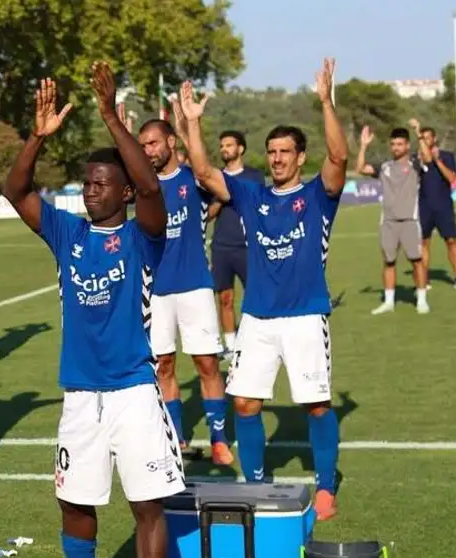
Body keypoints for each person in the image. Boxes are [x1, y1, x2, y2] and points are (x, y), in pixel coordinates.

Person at [2, 67, 181, 558]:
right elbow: (15, 190)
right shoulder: (66, 232)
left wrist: (111, 115)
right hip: (80, 393)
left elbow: (153, 191)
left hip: (133, 390)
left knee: (146, 506)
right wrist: (38, 137)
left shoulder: (142, 236)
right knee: (73, 499)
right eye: (86, 183)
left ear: (123, 191)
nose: (91, 191)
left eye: (102, 184)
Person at [179, 59, 348, 522]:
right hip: (257, 318)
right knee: (246, 403)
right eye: (272, 152)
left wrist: (326, 103)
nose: (276, 158)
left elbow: (339, 159)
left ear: (300, 157)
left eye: (285, 152)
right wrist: (193, 124)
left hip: (305, 316)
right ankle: (253, 485)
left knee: (315, 405)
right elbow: (203, 170)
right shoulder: (251, 195)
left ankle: (327, 485)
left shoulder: (317, 196)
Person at [135, 116, 232, 466]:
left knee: (206, 363)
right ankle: (177, 437)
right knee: (163, 365)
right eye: (143, 145)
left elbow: (220, 190)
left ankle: (220, 439)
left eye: (154, 143)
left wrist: (193, 123)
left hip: (195, 286)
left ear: (171, 142)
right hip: (156, 291)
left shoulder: (193, 178)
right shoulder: (142, 186)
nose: (148, 150)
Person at [354, 126, 428, 314]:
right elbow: (360, 168)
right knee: (389, 261)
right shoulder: (384, 167)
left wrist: (419, 134)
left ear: (407, 145)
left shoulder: (416, 165)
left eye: (400, 144)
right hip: (388, 222)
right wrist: (363, 146)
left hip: (410, 221)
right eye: (393, 144)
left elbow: (428, 158)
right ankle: (388, 302)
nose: (395, 147)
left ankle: (421, 300)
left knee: (416, 261)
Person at [206, 130, 265, 357]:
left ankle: (259, 339)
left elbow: (261, 208)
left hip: (249, 246)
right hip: (222, 246)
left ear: (240, 148)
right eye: (222, 146)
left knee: (255, 294)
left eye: (229, 145)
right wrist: (221, 198)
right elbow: (209, 215)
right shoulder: (215, 178)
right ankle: (230, 346)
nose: (224, 149)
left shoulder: (254, 176)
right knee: (225, 298)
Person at [412, 121, 456, 290]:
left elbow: (452, 179)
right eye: (423, 138)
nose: (426, 141)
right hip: (424, 206)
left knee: (451, 241)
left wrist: (438, 161)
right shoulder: (417, 158)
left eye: (428, 138)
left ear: (434, 139)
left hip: (443, 206)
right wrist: (419, 165)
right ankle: (425, 277)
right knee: (424, 242)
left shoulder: (447, 156)